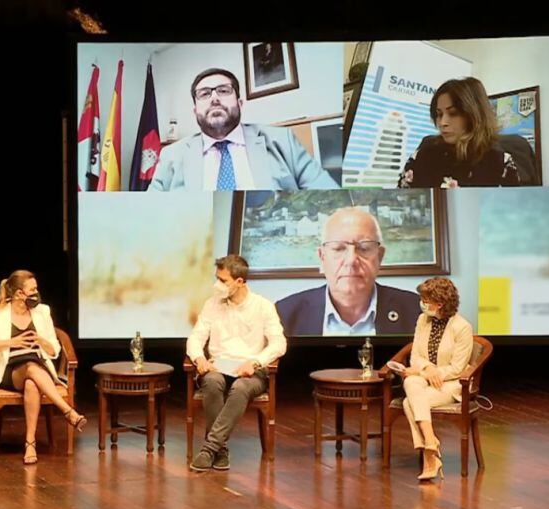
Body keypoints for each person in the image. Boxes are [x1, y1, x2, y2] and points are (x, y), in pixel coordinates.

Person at [150, 68, 339, 192]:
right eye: (205, 93)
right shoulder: (171, 155)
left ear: (240, 103)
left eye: (223, 91)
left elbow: (328, 193)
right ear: (195, 111)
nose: (214, 98)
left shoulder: (283, 141)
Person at [0, 270, 87, 465]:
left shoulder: (42, 311)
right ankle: (68, 411)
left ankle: (30, 444)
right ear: (18, 294)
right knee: (31, 369)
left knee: (32, 381)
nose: (36, 293)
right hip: (10, 369)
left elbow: (54, 350)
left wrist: (41, 340)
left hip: (38, 365)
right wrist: (11, 341)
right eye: (32, 289)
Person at [186, 255, 287, 472]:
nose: (217, 285)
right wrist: (199, 357)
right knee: (212, 382)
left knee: (241, 388)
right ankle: (219, 451)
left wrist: (256, 361)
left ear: (239, 281)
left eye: (223, 281)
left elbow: (279, 343)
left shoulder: (263, 306)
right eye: (217, 279)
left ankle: (209, 449)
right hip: (218, 367)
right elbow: (195, 337)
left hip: (250, 371)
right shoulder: (212, 305)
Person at [275, 207, 421, 336]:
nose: (351, 260)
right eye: (338, 248)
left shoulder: (417, 312)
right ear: (322, 257)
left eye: (364, 248)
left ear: (380, 256)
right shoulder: (283, 314)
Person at [397, 277, 474, 482]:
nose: (422, 304)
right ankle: (430, 443)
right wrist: (426, 369)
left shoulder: (462, 327)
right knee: (410, 382)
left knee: (408, 401)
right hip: (427, 377)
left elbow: (458, 368)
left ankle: (429, 455)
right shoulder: (423, 320)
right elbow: (415, 356)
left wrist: (430, 373)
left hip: (451, 383)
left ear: (439, 303)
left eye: (426, 300)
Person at [398, 77, 536, 188]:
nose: (442, 122)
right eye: (439, 114)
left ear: (473, 115)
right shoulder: (425, 152)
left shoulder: (497, 159)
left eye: (453, 113)